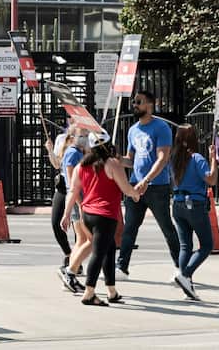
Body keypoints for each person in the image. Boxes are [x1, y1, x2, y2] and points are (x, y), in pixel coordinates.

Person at [61, 132, 141, 306]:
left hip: (88, 215)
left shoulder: (81, 166)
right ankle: (89, 292)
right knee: (98, 253)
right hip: (105, 215)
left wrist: (66, 213)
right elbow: (126, 188)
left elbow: (73, 191)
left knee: (109, 249)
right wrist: (137, 194)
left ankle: (111, 290)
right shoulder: (112, 163)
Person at [116, 89, 179, 277]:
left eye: (139, 102)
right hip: (135, 185)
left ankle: (182, 267)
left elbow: (163, 157)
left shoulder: (161, 128)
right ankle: (122, 266)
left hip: (156, 187)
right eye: (134, 102)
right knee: (129, 228)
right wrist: (118, 159)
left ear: (150, 106)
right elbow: (131, 160)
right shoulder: (133, 130)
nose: (134, 105)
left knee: (167, 228)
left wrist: (147, 179)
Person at [168, 123, 218, 300]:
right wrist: (213, 159)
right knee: (206, 245)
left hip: (178, 203)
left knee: (185, 245)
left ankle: (186, 282)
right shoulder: (197, 158)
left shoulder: (173, 158)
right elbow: (211, 179)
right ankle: (186, 275)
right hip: (194, 204)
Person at [62, 131, 93, 290]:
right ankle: (70, 272)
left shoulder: (77, 152)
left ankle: (70, 273)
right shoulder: (73, 153)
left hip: (78, 199)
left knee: (81, 239)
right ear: (73, 137)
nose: (86, 138)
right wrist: (81, 203)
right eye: (83, 135)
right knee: (87, 239)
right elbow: (73, 184)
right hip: (78, 200)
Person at [45, 123, 76, 273]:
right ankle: (69, 254)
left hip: (79, 184)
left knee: (79, 225)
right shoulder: (61, 139)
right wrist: (50, 150)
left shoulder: (86, 139)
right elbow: (57, 165)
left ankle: (76, 260)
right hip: (64, 184)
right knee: (56, 222)